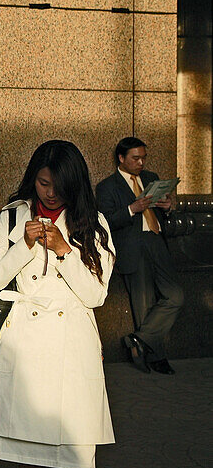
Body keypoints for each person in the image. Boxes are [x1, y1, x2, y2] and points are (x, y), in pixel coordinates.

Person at [0, 140, 115, 468]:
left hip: (72, 348)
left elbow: (96, 295)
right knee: (27, 456)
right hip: (25, 346)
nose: (51, 192)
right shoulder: (11, 217)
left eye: (58, 185)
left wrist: (63, 251)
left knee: (81, 463)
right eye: (42, 183)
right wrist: (23, 246)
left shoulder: (93, 222)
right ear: (32, 179)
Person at [95, 137, 183, 375]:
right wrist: (131, 209)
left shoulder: (151, 178)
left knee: (175, 296)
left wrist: (167, 209)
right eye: (135, 158)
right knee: (143, 304)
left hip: (156, 241)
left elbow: (163, 213)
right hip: (132, 247)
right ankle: (156, 358)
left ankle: (138, 339)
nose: (141, 162)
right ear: (121, 158)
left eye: (144, 157)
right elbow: (105, 222)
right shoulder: (107, 186)